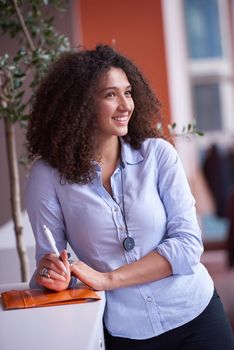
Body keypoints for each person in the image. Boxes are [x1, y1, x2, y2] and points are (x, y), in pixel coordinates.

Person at [25, 44, 234, 350]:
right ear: (79, 105)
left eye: (128, 92)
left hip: (196, 316)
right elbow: (51, 265)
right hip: (127, 333)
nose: (126, 105)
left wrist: (108, 279)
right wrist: (53, 274)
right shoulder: (47, 176)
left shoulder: (158, 155)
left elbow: (189, 244)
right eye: (111, 95)